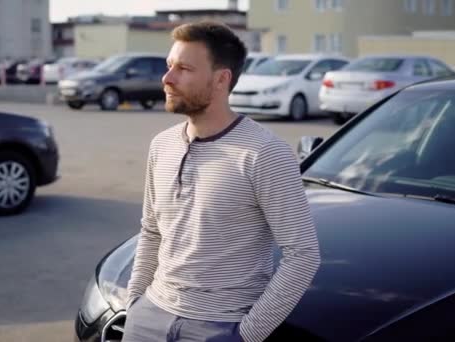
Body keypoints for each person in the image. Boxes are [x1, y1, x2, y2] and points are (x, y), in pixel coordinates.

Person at [123, 21, 320, 342]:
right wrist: (136, 303)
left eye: (184, 68)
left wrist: (246, 334)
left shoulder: (265, 152)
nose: (167, 78)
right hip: (148, 318)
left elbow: (303, 254)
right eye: (169, 66)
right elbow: (151, 230)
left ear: (221, 79)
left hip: (219, 326)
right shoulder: (162, 145)